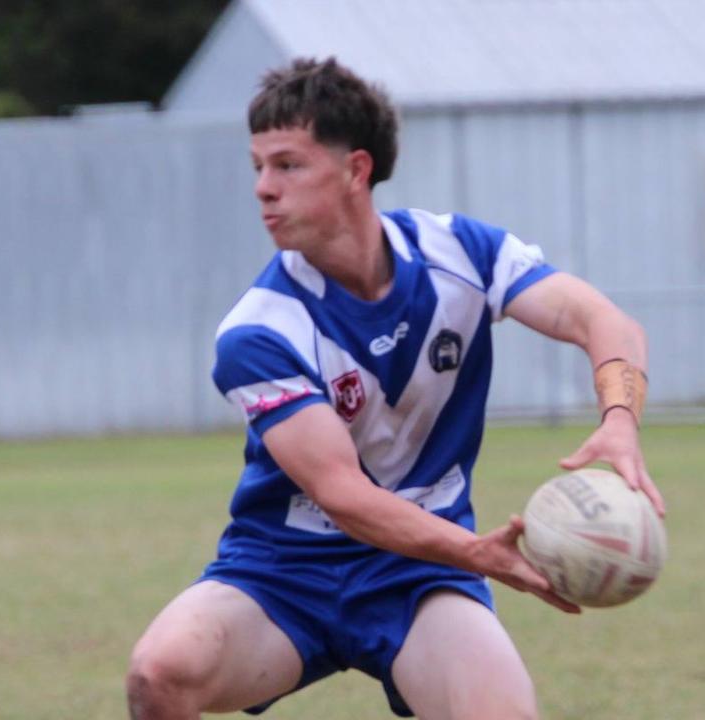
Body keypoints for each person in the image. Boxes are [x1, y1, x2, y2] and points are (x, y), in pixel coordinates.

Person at [126, 58, 666, 720]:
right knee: (161, 674)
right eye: (257, 166)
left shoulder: (463, 254)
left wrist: (620, 420)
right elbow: (344, 497)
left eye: (287, 165)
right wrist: (476, 552)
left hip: (419, 573)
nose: (263, 188)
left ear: (356, 170)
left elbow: (602, 320)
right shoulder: (259, 331)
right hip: (284, 571)